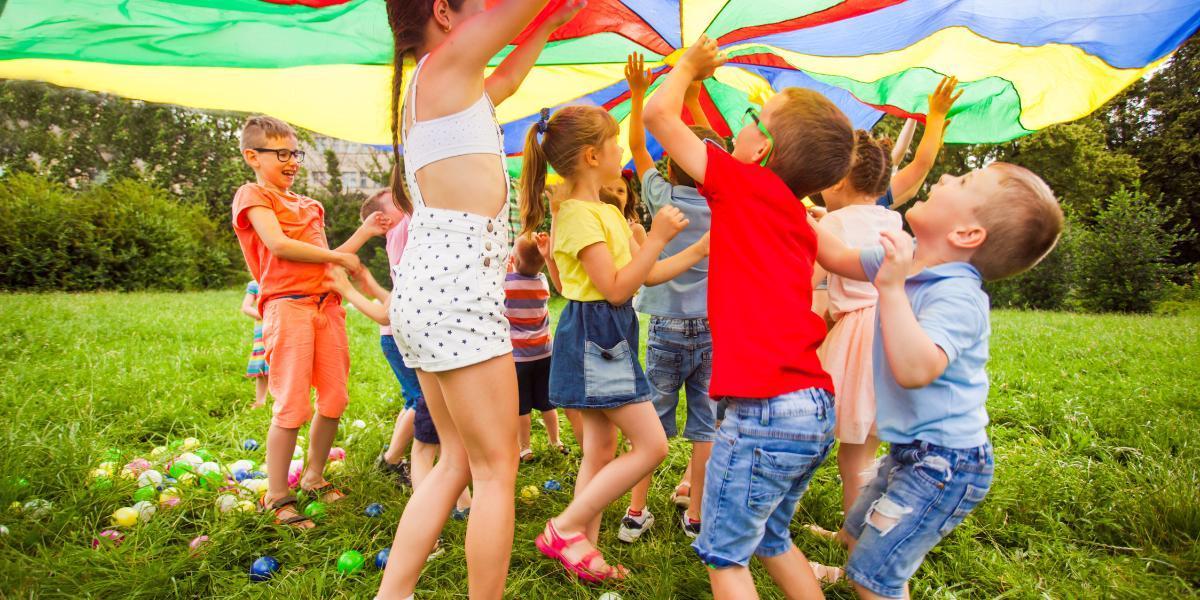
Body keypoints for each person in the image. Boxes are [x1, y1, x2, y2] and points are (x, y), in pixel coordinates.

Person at [380, 1, 584, 597]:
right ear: (444, 11)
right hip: (456, 294)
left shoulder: (445, 86)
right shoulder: (443, 68)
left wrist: (548, 24)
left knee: (456, 462)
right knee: (497, 470)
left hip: (427, 293)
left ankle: (392, 593)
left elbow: (510, 79)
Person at [644, 37, 856, 599]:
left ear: (761, 150)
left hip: (764, 412)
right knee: (772, 539)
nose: (741, 126)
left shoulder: (742, 185)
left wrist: (687, 67)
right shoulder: (792, 211)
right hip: (813, 407)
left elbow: (656, 116)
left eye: (751, 118)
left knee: (725, 556)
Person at [812, 162, 1063, 599]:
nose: (945, 178)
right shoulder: (904, 257)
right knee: (863, 519)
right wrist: (788, 208)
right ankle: (854, 552)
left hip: (947, 465)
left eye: (962, 182)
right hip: (912, 450)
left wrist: (890, 289)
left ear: (966, 235)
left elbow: (916, 369)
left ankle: (871, 574)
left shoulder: (958, 297)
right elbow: (834, 257)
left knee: (873, 575)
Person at [520, 103, 705, 582]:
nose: (622, 149)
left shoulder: (603, 211)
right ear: (590, 156)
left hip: (609, 333)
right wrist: (656, 239)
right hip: (596, 335)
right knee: (653, 445)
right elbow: (617, 287)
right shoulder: (578, 216)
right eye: (616, 142)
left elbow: (642, 277)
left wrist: (698, 250)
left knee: (600, 452)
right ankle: (564, 527)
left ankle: (584, 549)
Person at [230, 115, 388, 529]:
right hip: (288, 307)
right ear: (253, 156)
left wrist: (364, 232)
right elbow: (280, 246)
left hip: (328, 307)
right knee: (292, 406)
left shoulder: (309, 206)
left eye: (294, 153)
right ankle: (277, 495)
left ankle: (315, 476)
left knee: (334, 399)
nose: (292, 161)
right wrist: (338, 258)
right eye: (280, 153)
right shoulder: (252, 196)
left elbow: (326, 256)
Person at [619, 52, 724, 543]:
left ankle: (636, 512)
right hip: (714, 327)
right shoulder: (725, 202)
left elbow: (638, 144)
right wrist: (695, 98)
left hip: (663, 326)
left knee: (650, 424)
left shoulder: (663, 196)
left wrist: (641, 93)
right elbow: (713, 153)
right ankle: (697, 514)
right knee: (705, 426)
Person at [505, 233, 567, 462]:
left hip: (519, 358)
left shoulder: (507, 284)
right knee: (546, 402)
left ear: (515, 261)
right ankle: (555, 441)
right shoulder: (541, 282)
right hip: (544, 353)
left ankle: (525, 448)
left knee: (522, 406)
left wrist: (507, 269)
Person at [240, 279, 269, 409]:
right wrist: (260, 315)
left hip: (282, 328)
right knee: (262, 367)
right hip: (263, 330)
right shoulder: (255, 284)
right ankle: (260, 401)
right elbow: (246, 307)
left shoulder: (283, 280)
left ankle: (284, 399)